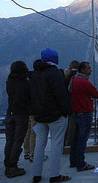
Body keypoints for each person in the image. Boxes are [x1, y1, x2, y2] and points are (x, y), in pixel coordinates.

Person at [30, 48, 71, 182]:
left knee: (39, 145)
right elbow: (61, 95)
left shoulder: (35, 74)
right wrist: (66, 112)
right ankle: (54, 175)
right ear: (55, 59)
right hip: (55, 116)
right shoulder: (55, 73)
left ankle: (36, 174)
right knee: (56, 145)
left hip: (39, 116)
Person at [69, 62, 98, 171]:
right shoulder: (84, 82)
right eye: (88, 68)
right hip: (85, 111)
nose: (90, 70)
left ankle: (73, 161)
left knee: (75, 137)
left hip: (76, 111)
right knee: (83, 139)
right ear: (82, 70)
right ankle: (81, 163)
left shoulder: (74, 79)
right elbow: (96, 94)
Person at [4, 61, 30, 178]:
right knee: (17, 141)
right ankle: (13, 167)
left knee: (9, 140)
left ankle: (7, 165)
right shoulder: (25, 83)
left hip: (10, 113)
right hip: (21, 114)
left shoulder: (9, 81)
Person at [23, 59, 42, 163]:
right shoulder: (36, 80)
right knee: (34, 132)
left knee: (28, 131)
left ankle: (26, 152)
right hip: (34, 109)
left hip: (26, 109)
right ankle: (33, 154)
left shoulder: (26, 79)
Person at [64, 60, 80, 147]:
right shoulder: (76, 76)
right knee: (72, 124)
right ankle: (70, 141)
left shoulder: (66, 75)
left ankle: (64, 141)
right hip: (74, 101)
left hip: (66, 102)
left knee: (66, 123)